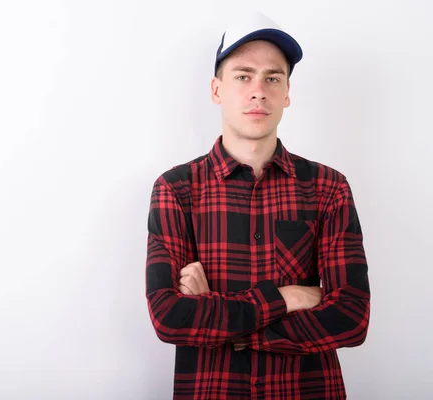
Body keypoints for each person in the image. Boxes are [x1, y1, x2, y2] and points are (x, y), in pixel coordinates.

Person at [144, 11, 370, 400]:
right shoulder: (176, 189)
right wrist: (290, 297)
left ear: (286, 94)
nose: (258, 91)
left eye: (272, 78)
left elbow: (351, 318)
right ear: (217, 90)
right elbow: (170, 318)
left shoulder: (328, 188)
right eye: (243, 76)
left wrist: (220, 317)